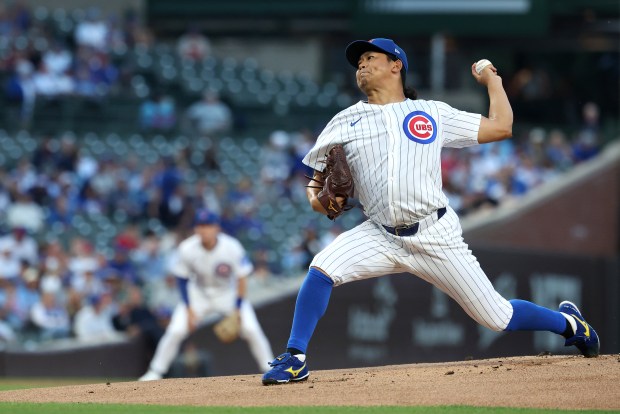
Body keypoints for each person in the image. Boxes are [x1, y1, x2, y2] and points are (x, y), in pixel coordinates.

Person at [261, 38, 600, 385]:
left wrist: (493, 81)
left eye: (369, 57)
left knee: (497, 317)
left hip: (435, 234)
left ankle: (570, 324)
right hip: (379, 233)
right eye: (358, 61)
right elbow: (316, 185)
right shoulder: (344, 121)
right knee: (321, 269)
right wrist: (317, 200)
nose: (361, 65)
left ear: (396, 65)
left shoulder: (431, 113)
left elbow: (502, 127)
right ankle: (294, 357)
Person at [139, 209, 274, 381]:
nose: (204, 230)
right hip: (198, 294)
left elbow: (242, 278)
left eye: (208, 225)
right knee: (176, 330)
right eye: (200, 226)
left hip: (227, 293)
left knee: (251, 329)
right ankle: (155, 371)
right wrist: (188, 308)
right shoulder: (187, 248)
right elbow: (182, 279)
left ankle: (269, 367)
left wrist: (238, 309)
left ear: (217, 227)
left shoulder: (231, 247)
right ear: (196, 229)